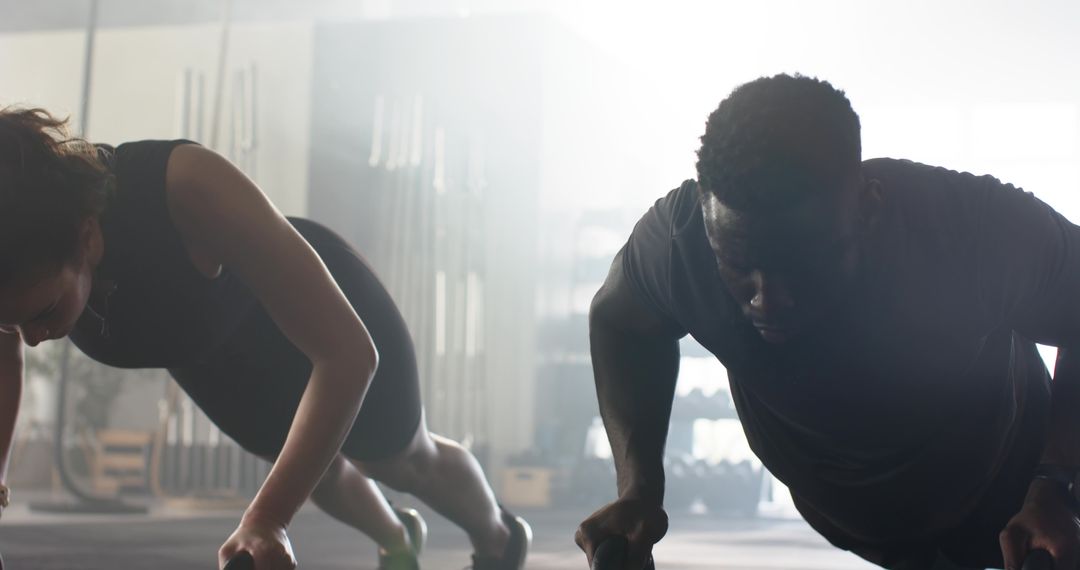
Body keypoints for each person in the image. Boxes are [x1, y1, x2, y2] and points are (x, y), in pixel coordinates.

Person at [574, 73, 1080, 570]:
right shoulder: (677, 243)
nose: (768, 301)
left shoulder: (970, 230)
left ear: (867, 208)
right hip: (852, 520)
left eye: (800, 264)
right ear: (708, 222)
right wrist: (639, 490)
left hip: (1012, 495)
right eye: (738, 265)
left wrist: (1055, 483)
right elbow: (622, 321)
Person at [0, 108, 531, 570]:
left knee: (395, 460)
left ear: (87, 235)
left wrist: (267, 520)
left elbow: (348, 355)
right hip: (212, 357)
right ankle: (397, 538)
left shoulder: (184, 186)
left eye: (44, 313)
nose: (34, 339)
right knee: (309, 471)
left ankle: (500, 537)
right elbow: (5, 359)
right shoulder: (15, 269)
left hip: (323, 318)